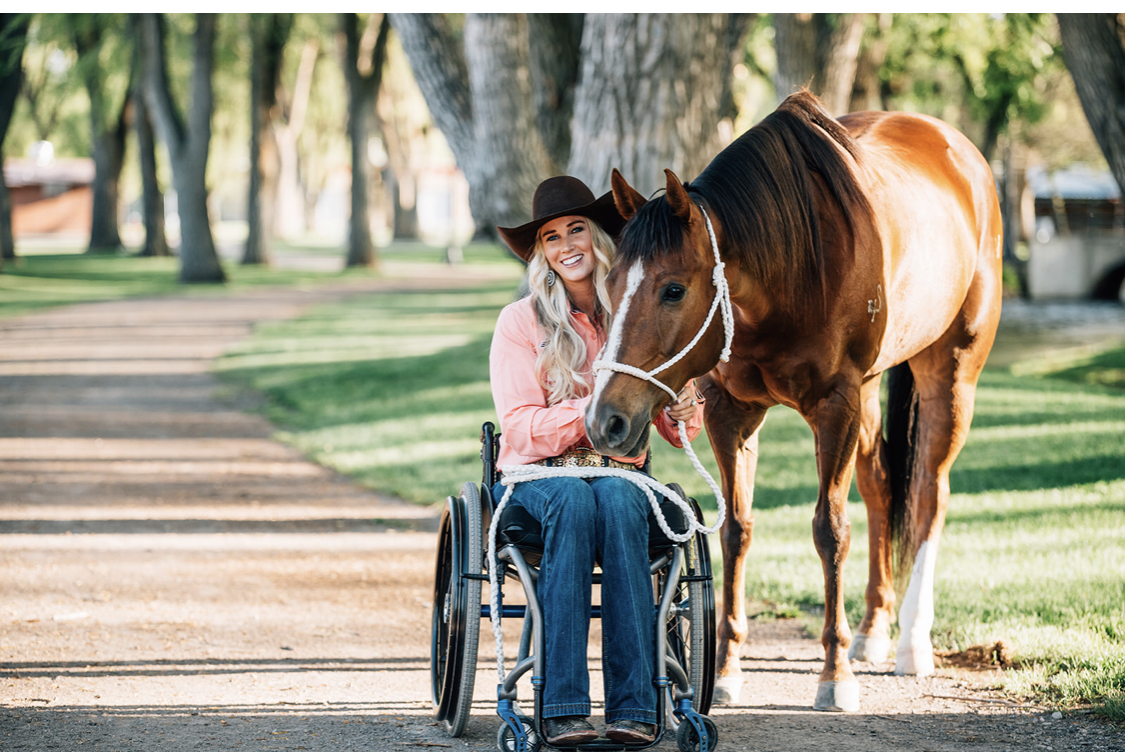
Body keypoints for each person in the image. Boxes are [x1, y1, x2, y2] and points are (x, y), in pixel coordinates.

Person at [491, 176, 704, 747]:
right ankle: (561, 707)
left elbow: (667, 430)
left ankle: (634, 708)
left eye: (576, 228)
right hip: (539, 479)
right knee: (575, 499)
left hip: (619, 475)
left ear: (599, 235)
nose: (566, 245)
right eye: (551, 237)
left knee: (612, 496)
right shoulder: (520, 322)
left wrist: (681, 410)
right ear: (542, 253)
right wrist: (591, 413)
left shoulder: (633, 312)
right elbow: (520, 429)